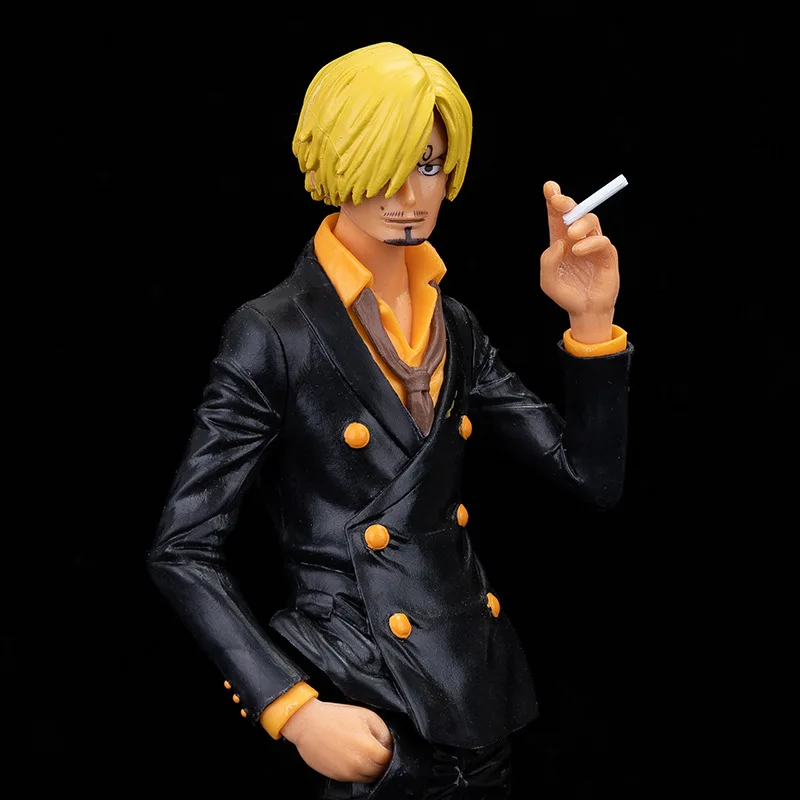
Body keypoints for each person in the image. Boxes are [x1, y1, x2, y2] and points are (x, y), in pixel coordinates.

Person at [148, 41, 633, 798]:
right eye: (387, 163)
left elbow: (589, 478)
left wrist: (592, 323)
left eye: (429, 165)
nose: (409, 194)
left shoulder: (456, 325)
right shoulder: (275, 331)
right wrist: (293, 709)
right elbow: (183, 547)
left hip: (473, 691)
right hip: (355, 691)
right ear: (341, 159)